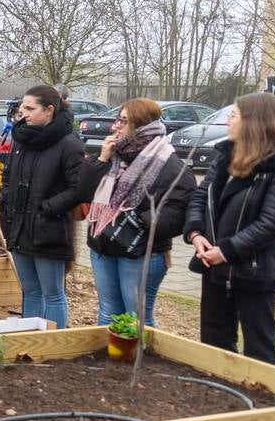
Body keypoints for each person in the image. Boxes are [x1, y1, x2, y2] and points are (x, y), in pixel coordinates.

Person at [183, 92, 275, 365]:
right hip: (214, 267)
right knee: (214, 341)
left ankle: (263, 404)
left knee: (259, 349)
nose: (227, 121)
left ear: (254, 122)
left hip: (254, 271)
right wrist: (196, 234)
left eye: (233, 115)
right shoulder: (224, 158)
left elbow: (271, 224)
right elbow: (200, 198)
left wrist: (225, 251)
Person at [77, 98, 195, 328]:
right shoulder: (112, 155)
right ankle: (110, 361)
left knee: (137, 318)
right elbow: (82, 191)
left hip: (141, 253)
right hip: (103, 247)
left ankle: (138, 362)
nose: (116, 127)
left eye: (123, 121)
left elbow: (180, 211)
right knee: (108, 313)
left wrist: (140, 220)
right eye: (117, 120)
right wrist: (101, 159)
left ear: (142, 126)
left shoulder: (168, 163)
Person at [0, 85, 84, 328]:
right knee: (30, 291)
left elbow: (79, 188)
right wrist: (5, 200)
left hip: (49, 230)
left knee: (52, 293)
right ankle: (30, 343)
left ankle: (53, 347)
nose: (23, 113)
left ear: (49, 110)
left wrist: (47, 208)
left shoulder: (69, 144)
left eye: (30, 108)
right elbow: (8, 175)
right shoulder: (21, 139)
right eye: (22, 107)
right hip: (19, 226)